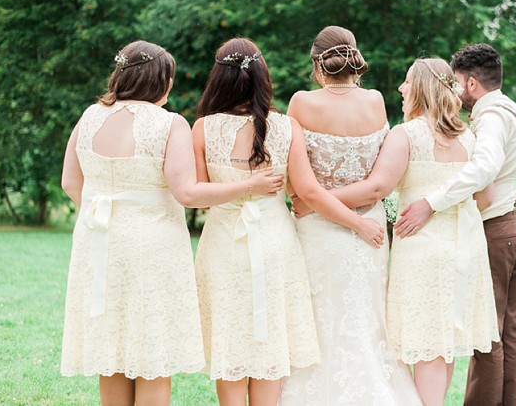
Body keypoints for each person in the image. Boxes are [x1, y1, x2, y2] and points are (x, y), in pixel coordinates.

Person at [60, 40, 284, 406]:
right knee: (152, 355)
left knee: (111, 350)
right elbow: (189, 194)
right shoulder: (169, 124)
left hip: (99, 244)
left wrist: (107, 216)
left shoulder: (89, 116)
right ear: (159, 80)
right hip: (152, 248)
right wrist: (250, 185)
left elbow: (71, 183)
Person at [192, 37, 385, 406]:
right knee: (272, 346)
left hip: (222, 246)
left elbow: (198, 197)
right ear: (264, 78)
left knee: (231, 345)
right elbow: (308, 193)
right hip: (275, 242)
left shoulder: (201, 129)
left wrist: (237, 189)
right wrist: (358, 223)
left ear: (217, 79)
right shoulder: (285, 127)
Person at [310, 57, 500, 405]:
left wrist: (317, 199)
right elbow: (486, 196)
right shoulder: (469, 137)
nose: (401, 88)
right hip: (466, 251)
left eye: (408, 82)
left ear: (422, 88)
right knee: (444, 344)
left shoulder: (407, 135)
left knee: (428, 343)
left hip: (424, 251)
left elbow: (376, 188)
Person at [279, 26, 422, 406]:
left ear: (318, 63)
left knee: (320, 321)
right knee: (367, 320)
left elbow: (297, 179)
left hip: (318, 229)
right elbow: (380, 180)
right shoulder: (376, 101)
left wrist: (312, 201)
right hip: (371, 228)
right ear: (354, 60)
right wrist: (357, 218)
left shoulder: (301, 103)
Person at [395, 44, 516, 406]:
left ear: (472, 83)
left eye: (457, 83)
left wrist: (431, 202)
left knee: (487, 336)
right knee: (510, 330)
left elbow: (484, 169)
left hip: (502, 228)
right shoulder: (511, 108)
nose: (454, 92)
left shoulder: (489, 118)